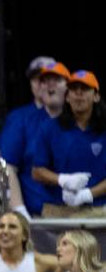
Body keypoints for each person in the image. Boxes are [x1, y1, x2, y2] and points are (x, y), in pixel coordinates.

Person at [0, 61, 71, 218]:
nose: (49, 85)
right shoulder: (22, 119)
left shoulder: (78, 120)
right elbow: (7, 166)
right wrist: (19, 210)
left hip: (78, 211)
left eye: (56, 80)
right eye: (43, 80)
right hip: (37, 213)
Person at [32, 70, 106, 217]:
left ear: (96, 96)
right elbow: (37, 172)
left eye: (84, 89)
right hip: (57, 209)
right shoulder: (49, 128)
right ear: (67, 97)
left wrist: (88, 194)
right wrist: (62, 180)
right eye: (73, 89)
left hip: (99, 210)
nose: (78, 93)